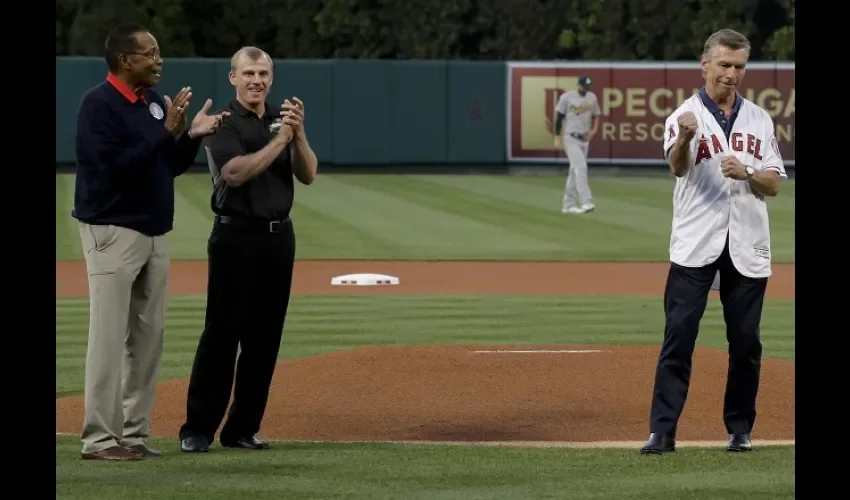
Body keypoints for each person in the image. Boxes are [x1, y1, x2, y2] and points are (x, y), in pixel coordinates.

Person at [72, 23, 227, 460]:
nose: (159, 60)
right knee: (108, 337)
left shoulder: (155, 104)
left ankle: (135, 435)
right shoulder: (97, 106)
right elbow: (113, 170)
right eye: (151, 53)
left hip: (156, 231)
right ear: (126, 61)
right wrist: (164, 132)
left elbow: (167, 166)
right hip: (113, 231)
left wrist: (191, 136)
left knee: (147, 338)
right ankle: (99, 439)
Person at [640, 28, 787, 454]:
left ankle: (740, 428)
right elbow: (678, 167)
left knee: (746, 343)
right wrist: (685, 138)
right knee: (678, 337)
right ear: (705, 64)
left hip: (747, 241)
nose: (731, 74)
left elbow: (774, 184)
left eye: (739, 66)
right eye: (724, 64)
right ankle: (662, 431)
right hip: (695, 241)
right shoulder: (683, 116)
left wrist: (748, 173)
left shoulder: (759, 119)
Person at [178, 46, 318, 453]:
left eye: (263, 74)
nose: (256, 80)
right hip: (235, 237)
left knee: (264, 339)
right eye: (248, 73)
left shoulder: (282, 119)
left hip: (278, 238)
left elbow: (307, 174)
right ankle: (197, 428)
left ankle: (241, 428)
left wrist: (298, 134)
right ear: (233, 78)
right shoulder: (223, 124)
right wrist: (280, 143)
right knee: (222, 335)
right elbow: (234, 173)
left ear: (271, 78)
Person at [553, 75, 601, 214]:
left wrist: (594, 130)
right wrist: (557, 137)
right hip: (570, 137)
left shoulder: (592, 97)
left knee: (574, 172)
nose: (586, 89)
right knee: (581, 168)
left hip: (584, 138)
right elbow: (559, 117)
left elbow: (597, 114)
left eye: (588, 87)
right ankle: (586, 202)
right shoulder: (567, 97)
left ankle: (568, 205)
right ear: (578, 85)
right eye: (584, 86)